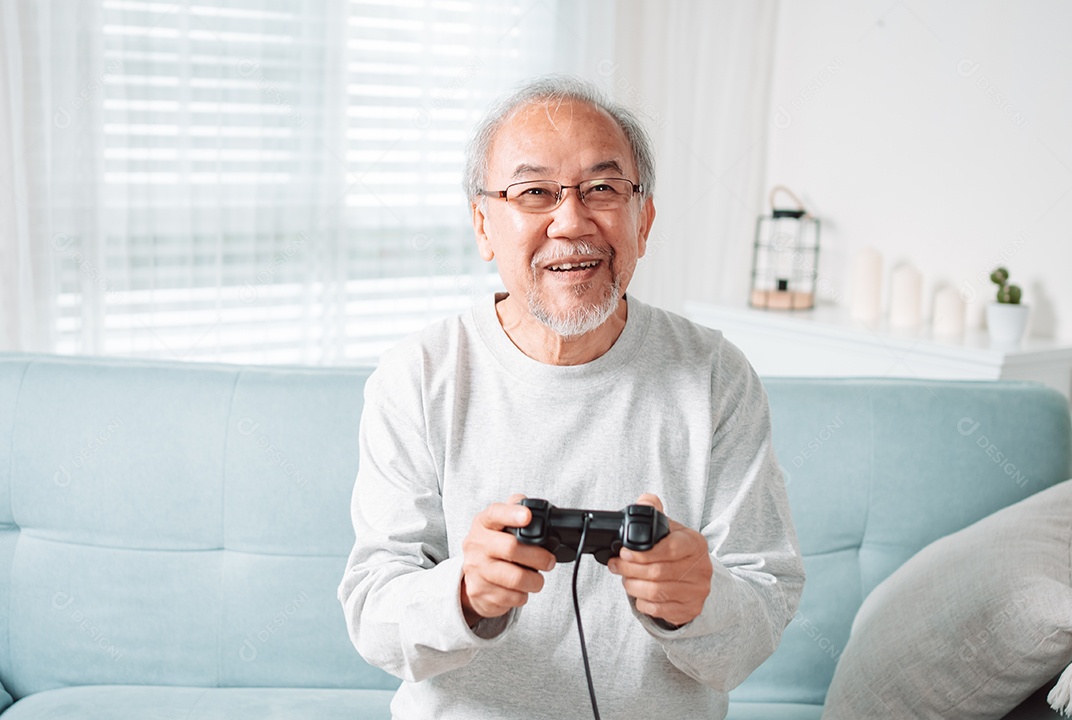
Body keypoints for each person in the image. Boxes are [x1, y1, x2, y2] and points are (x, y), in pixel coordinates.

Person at [338, 75, 805, 719]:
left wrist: (697, 601)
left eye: (603, 189)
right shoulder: (417, 373)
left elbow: (761, 613)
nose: (571, 221)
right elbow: (373, 619)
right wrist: (467, 593)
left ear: (643, 220)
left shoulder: (715, 375)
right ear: (484, 224)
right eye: (534, 193)